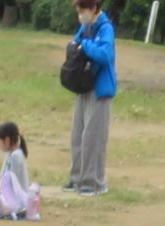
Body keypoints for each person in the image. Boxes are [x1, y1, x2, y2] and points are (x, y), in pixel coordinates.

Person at [67, 0, 116, 196]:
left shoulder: (106, 28)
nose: (80, 14)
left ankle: (94, 183)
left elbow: (105, 54)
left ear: (94, 9)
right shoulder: (85, 27)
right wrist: (80, 44)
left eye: (82, 10)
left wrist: (86, 45)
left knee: (93, 138)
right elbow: (74, 44)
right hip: (84, 86)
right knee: (77, 135)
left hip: (100, 89)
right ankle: (77, 179)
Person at [0, 121, 39, 220]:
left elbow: (11, 182)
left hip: (17, 198)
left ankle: (12, 210)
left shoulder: (16, 155)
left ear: (7, 140)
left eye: (0, 141)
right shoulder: (10, 154)